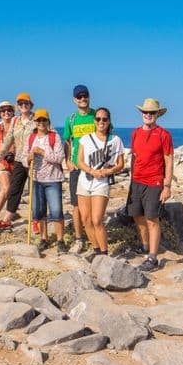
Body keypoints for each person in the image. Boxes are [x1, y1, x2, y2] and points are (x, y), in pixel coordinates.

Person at [128, 98, 173, 271]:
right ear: (141, 113)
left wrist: (167, 186)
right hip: (136, 181)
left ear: (157, 115)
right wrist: (131, 180)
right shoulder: (135, 133)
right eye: (145, 112)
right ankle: (145, 246)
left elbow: (169, 161)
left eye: (152, 112)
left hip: (154, 182)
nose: (148, 115)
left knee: (152, 219)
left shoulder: (164, 135)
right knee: (136, 215)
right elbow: (134, 157)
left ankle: (153, 258)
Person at [76, 107, 124, 259]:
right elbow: (79, 161)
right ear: (94, 121)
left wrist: (107, 172)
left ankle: (104, 253)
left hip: (101, 183)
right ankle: (96, 250)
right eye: (98, 119)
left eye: (104, 119)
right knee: (86, 219)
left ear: (109, 121)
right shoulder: (86, 138)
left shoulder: (115, 140)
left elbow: (121, 164)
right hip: (84, 181)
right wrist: (91, 171)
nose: (101, 122)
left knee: (97, 219)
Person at [23, 109, 66, 254]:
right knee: (39, 211)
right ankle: (44, 238)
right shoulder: (30, 138)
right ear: (35, 122)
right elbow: (23, 159)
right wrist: (28, 158)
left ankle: (60, 241)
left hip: (53, 179)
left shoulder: (54, 137)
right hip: (35, 179)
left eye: (44, 120)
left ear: (48, 122)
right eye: (38, 120)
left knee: (56, 211)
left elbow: (59, 158)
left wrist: (42, 152)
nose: (41, 123)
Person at [62, 84, 96, 254]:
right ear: (74, 100)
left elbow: (107, 138)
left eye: (85, 95)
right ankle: (78, 238)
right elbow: (67, 142)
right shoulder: (71, 119)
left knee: (93, 204)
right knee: (76, 205)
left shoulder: (98, 116)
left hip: (95, 168)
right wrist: (68, 160)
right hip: (76, 167)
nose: (83, 99)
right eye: (79, 96)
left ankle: (94, 236)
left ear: (89, 96)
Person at [0, 92, 35, 229]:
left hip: (34, 161)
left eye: (26, 103)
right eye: (21, 103)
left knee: (35, 191)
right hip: (19, 160)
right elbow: (8, 140)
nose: (24, 105)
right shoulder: (15, 121)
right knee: (14, 190)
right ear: (17, 106)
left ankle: (37, 221)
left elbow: (48, 133)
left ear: (31, 105)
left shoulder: (37, 119)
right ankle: (7, 220)